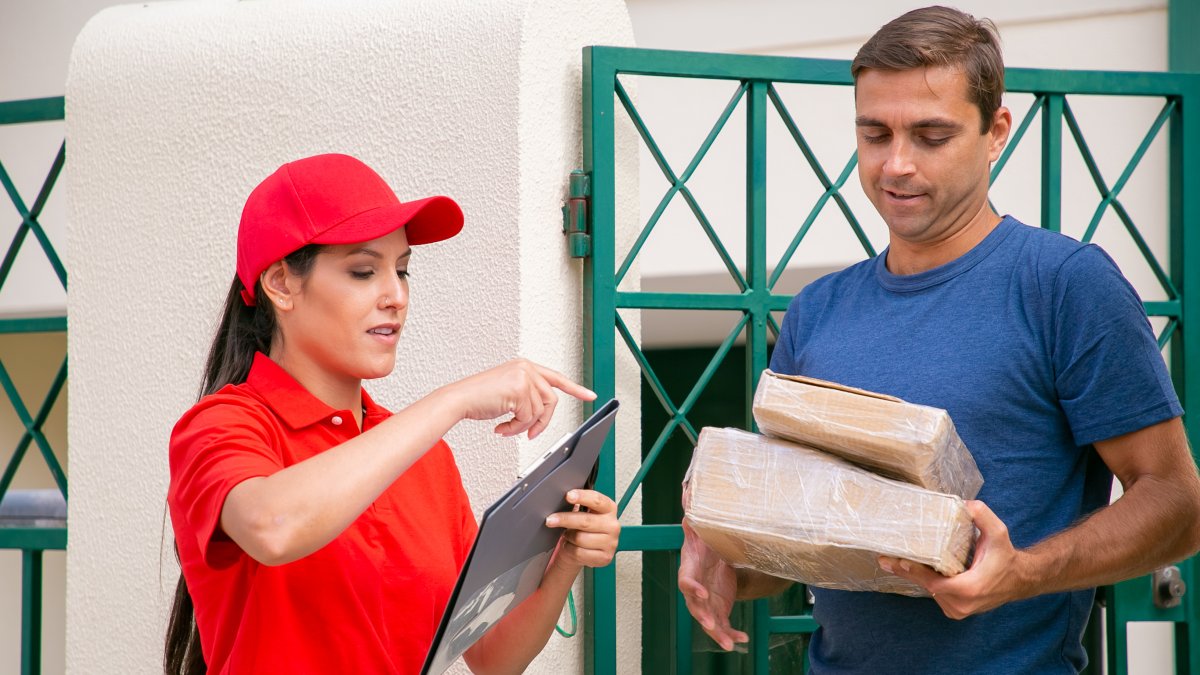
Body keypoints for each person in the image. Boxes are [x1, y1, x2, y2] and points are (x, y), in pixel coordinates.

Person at [678, 6, 1200, 673]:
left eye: (931, 135)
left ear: (995, 133)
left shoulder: (1063, 285)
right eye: (875, 133)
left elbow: (1179, 503)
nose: (896, 164)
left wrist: (1025, 572)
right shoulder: (817, 310)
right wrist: (729, 559)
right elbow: (801, 538)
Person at [164, 153, 620, 675]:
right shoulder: (221, 425)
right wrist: (453, 400)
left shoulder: (424, 458)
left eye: (402, 271)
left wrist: (563, 557)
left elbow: (493, 658)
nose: (396, 296)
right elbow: (273, 527)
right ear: (281, 284)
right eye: (363, 272)